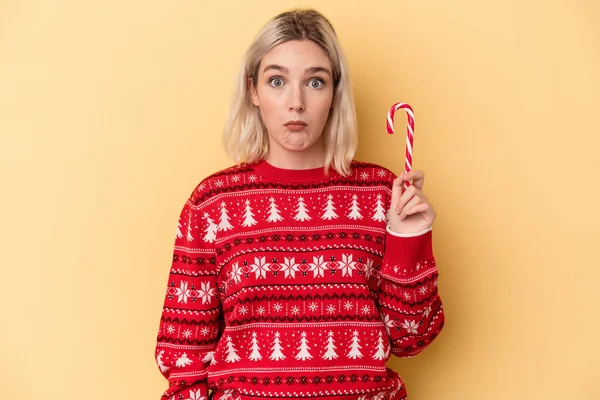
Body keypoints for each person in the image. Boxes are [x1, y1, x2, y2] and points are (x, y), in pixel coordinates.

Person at [155, 8, 444, 400]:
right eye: (277, 81)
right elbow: (183, 360)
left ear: (334, 93)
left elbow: (412, 338)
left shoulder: (381, 195)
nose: (296, 102)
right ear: (253, 91)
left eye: (315, 82)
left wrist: (410, 239)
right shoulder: (212, 205)